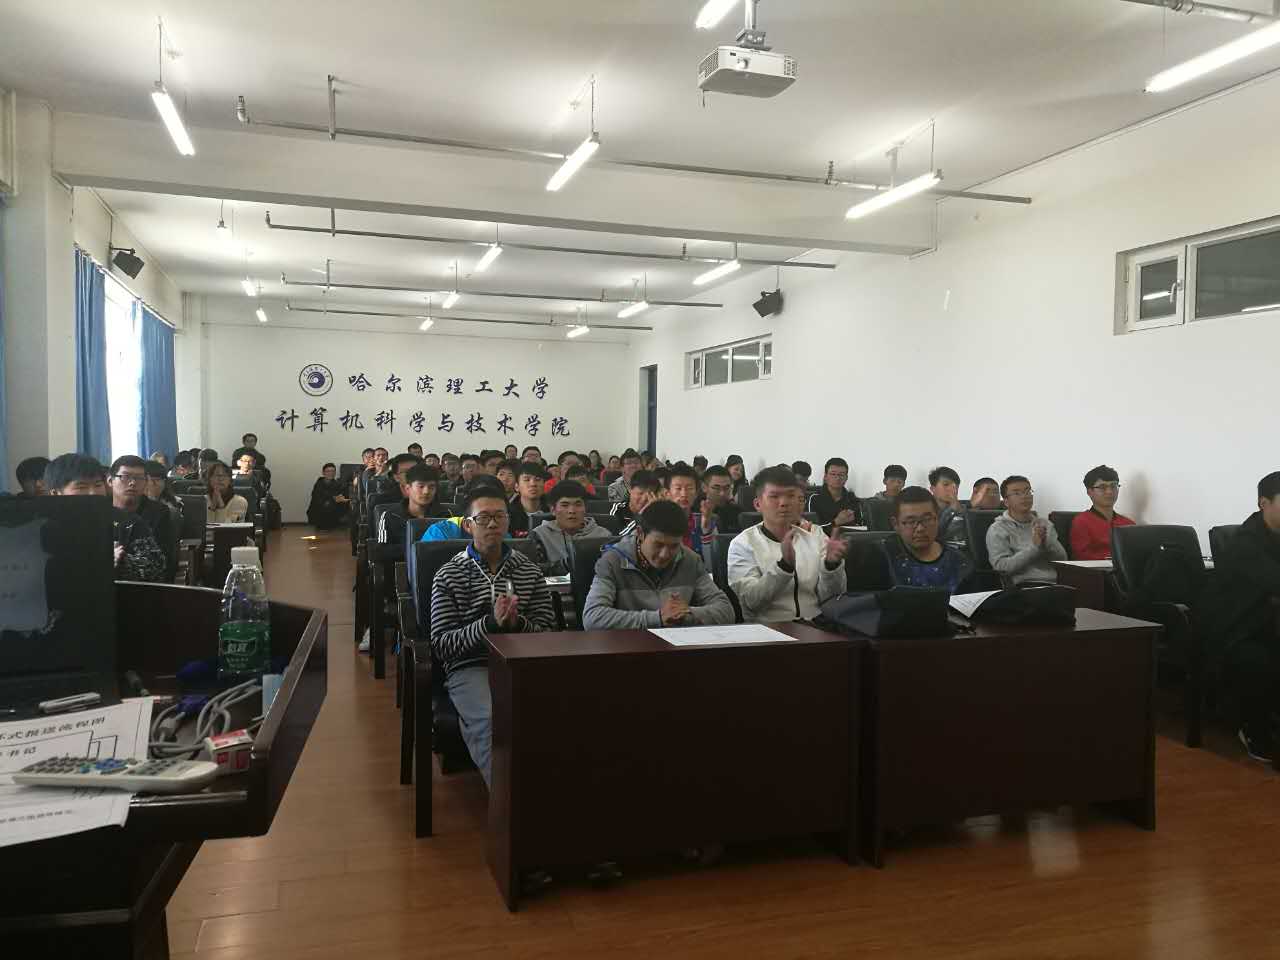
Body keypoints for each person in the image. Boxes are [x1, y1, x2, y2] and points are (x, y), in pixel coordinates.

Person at [429, 487, 556, 787]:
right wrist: (489, 624)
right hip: (471, 666)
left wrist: (518, 624)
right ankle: (508, 804)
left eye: (500, 516)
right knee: (492, 721)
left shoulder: (528, 571)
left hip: (523, 663)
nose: (492, 524)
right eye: (483, 518)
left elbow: (548, 634)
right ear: (468, 525)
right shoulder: (449, 574)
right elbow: (442, 645)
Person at [1203, 472, 1280, 762]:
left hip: (1267, 624)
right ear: (1264, 503)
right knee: (1260, 660)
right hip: (1236, 629)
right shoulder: (1246, 542)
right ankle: (1255, 732)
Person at [583, 500, 735, 630]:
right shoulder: (612, 561)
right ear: (640, 534)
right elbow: (592, 617)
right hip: (629, 647)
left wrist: (687, 613)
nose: (664, 554)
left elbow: (726, 610)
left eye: (674, 546)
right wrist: (658, 618)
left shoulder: (691, 560)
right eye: (658, 544)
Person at [727, 465, 847, 622]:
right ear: (757, 504)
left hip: (816, 626)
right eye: (774, 496)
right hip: (769, 629)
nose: (784, 503)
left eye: (790, 496)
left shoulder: (814, 537)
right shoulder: (743, 544)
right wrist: (783, 568)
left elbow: (833, 598)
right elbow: (751, 602)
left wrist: (831, 567)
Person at [46, 454, 164, 582]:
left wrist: (122, 562)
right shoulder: (42, 528)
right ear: (55, 494)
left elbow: (156, 569)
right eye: (81, 487)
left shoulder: (128, 523)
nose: (93, 493)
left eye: (98, 485)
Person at [882, 486, 975, 592]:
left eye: (927, 519)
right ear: (895, 524)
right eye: (911, 522)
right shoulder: (882, 558)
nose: (920, 528)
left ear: (937, 518)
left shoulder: (960, 562)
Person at [986, 475, 1067, 585]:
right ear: (1006, 502)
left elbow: (1063, 559)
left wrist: (1046, 543)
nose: (1024, 496)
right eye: (1017, 493)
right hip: (1023, 585)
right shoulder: (998, 529)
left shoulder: (1044, 524)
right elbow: (1001, 567)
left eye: (1027, 492)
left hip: (1055, 583)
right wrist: (1034, 548)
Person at [530, 480, 607, 574]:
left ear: (585, 508)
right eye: (565, 505)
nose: (572, 511)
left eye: (578, 505)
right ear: (553, 510)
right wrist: (569, 563)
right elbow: (536, 571)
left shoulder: (603, 535)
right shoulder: (540, 535)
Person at [1070, 465, 1136, 561]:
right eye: (1102, 487)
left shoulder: (1128, 524)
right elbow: (1082, 557)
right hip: (1097, 569)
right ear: (1089, 492)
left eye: (1113, 486)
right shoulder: (1081, 522)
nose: (1109, 492)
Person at [378, 464, 449, 543]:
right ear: (407, 489)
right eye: (421, 486)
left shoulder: (445, 514)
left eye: (431, 487)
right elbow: (383, 548)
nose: (426, 492)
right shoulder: (391, 516)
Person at [807, 458, 863, 531]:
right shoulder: (814, 498)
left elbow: (862, 527)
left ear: (846, 478)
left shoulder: (852, 499)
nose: (837, 478)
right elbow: (810, 530)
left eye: (841, 475)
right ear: (825, 477)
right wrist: (836, 522)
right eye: (833, 474)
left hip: (848, 537)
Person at [610, 469, 662, 535]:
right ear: (630, 490)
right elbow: (618, 537)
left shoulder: (658, 513)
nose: (644, 499)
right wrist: (642, 514)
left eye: (650, 494)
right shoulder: (618, 509)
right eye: (640, 493)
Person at [695, 465, 743, 536]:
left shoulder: (737, 513)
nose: (722, 493)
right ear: (704, 487)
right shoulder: (694, 511)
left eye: (726, 488)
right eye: (716, 488)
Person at [929, 466, 967, 549]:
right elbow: (933, 536)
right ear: (933, 489)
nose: (952, 489)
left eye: (956, 486)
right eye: (946, 485)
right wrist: (952, 510)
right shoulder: (925, 511)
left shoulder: (964, 509)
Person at [507, 463, 548, 537]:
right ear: (517, 486)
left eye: (537, 479)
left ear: (544, 484)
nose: (533, 484)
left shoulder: (553, 512)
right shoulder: (508, 515)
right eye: (527, 480)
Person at [307, 462, 351, 529]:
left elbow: (341, 496)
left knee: (345, 502)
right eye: (328, 471)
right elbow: (317, 499)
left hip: (333, 509)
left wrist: (342, 499)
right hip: (319, 510)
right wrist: (333, 499)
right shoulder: (319, 483)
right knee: (328, 503)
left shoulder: (337, 484)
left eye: (333, 471)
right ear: (323, 473)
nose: (331, 473)